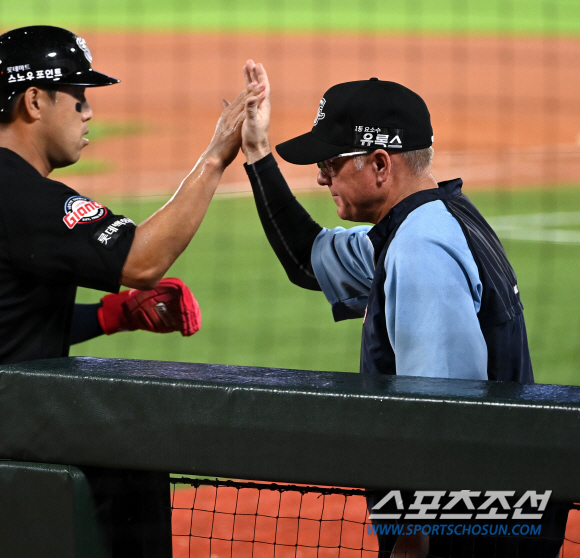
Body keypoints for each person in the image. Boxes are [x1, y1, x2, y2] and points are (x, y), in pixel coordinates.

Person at [0, 26, 261, 557]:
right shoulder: (26, 196)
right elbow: (144, 259)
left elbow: (4, 321)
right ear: (35, 101)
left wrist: (115, 315)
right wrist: (218, 155)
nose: (88, 112)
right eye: (78, 97)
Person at [239, 60, 566, 557]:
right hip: (494, 509)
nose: (322, 178)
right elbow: (309, 261)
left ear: (379, 164)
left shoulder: (421, 252)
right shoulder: (427, 221)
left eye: (331, 163)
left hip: (470, 530)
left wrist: (414, 539)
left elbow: (441, 418)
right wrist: (258, 152)